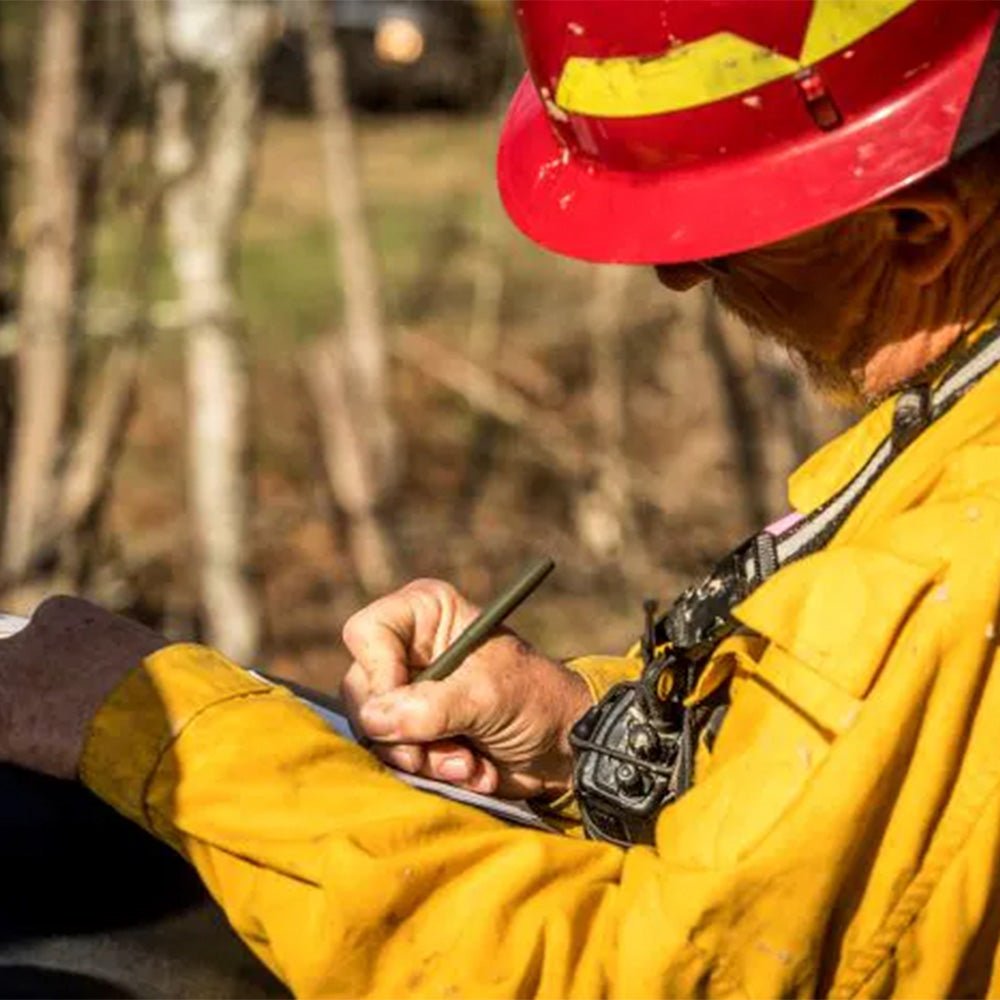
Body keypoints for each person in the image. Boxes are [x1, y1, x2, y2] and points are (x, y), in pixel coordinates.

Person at [2, 0, 1000, 995]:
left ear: (915, 229)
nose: (675, 273)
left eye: (718, 236)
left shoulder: (952, 564)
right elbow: (856, 834)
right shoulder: (957, 436)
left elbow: (629, 980)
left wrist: (160, 727)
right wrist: (594, 736)